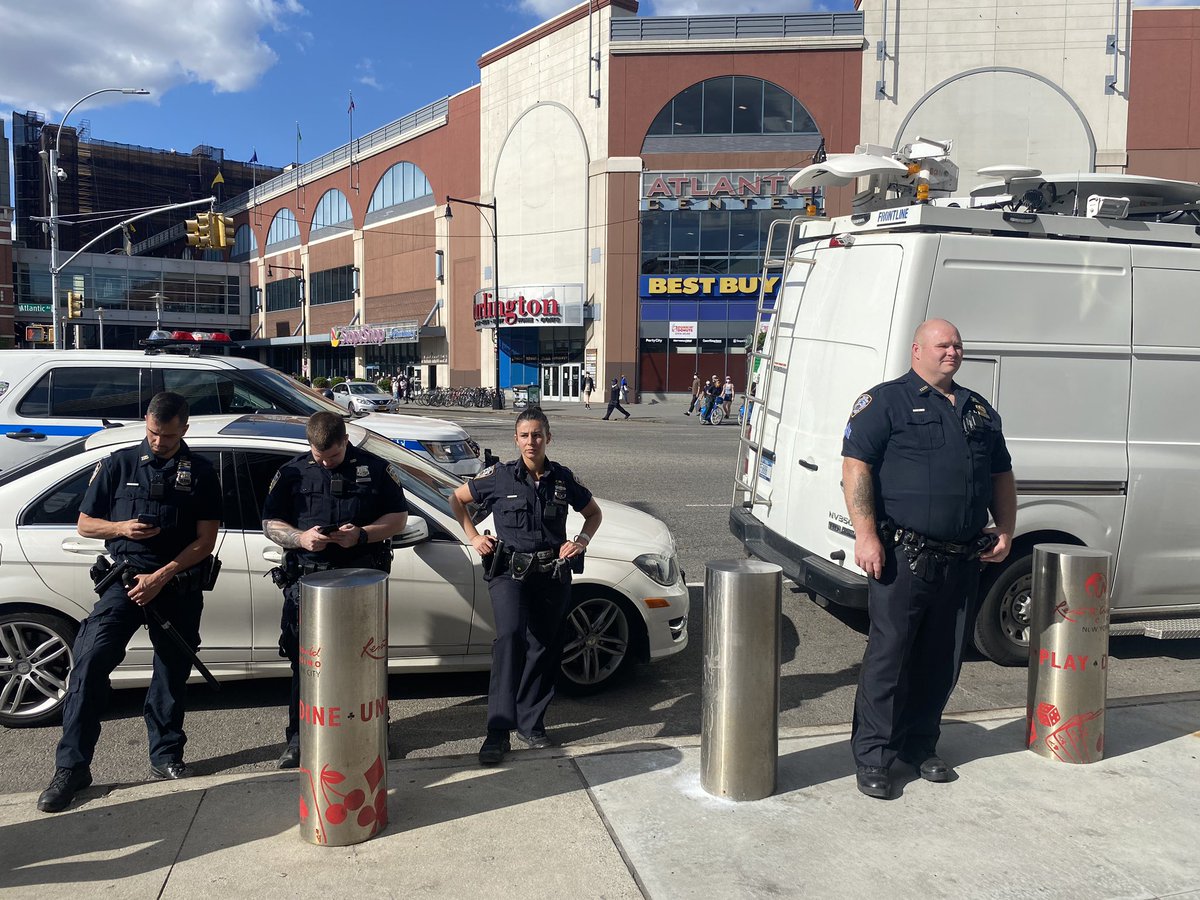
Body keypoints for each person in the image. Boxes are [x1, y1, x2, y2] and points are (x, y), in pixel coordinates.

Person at [841, 318, 1016, 800]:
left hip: (962, 560)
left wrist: (1005, 528)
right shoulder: (886, 401)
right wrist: (866, 535)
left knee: (942, 660)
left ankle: (920, 746)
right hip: (903, 556)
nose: (952, 352)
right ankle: (875, 756)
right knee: (889, 658)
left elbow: (1002, 473)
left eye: (958, 345)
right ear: (917, 350)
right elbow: (856, 467)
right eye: (943, 345)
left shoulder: (979, 410)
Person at [38, 392, 221, 813]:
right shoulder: (119, 464)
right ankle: (71, 768)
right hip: (123, 581)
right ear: (146, 423)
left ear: (185, 430)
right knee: (89, 662)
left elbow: (205, 541)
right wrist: (120, 527)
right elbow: (85, 524)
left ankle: (165, 755)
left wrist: (162, 575)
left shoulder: (202, 472)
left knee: (171, 672)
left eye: (169, 436)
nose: (160, 442)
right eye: (155, 433)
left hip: (175, 583)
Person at [448, 407, 602, 765]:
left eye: (537, 435)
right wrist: (472, 536)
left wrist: (580, 541)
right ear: (515, 440)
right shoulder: (499, 477)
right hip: (509, 573)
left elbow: (593, 514)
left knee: (544, 647)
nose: (531, 442)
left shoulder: (563, 479)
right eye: (524, 436)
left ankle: (531, 725)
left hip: (551, 574)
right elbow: (456, 499)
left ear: (548, 438)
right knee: (511, 639)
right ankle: (497, 732)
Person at [261, 411, 409, 769]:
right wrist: (300, 537)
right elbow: (270, 522)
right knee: (307, 664)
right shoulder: (293, 472)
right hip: (308, 583)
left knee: (366, 660)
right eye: (319, 456)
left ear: (345, 440)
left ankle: (374, 731)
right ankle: (299, 737)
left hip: (361, 581)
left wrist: (360, 534)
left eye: (333, 455)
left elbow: (398, 518)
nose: (326, 463)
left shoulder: (375, 469)